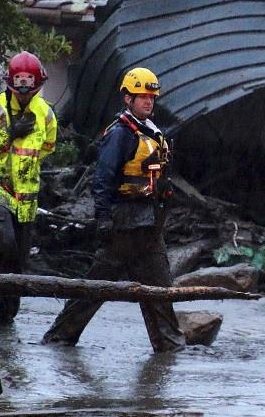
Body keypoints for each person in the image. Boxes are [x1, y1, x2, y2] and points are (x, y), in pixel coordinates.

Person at [41, 67, 185, 353]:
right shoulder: (120, 134)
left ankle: (171, 349)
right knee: (97, 287)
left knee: (160, 289)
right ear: (127, 99)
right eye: (142, 96)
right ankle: (58, 338)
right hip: (123, 225)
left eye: (151, 97)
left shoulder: (153, 133)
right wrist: (104, 218)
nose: (148, 102)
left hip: (148, 225)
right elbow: (103, 179)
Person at [0, 51, 57, 324]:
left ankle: (4, 312)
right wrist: (8, 133)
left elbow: (48, 147)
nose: (25, 86)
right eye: (21, 80)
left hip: (26, 192)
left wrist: (24, 167)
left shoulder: (46, 113)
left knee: (17, 255)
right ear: (11, 81)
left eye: (30, 80)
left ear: (37, 82)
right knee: (0, 238)